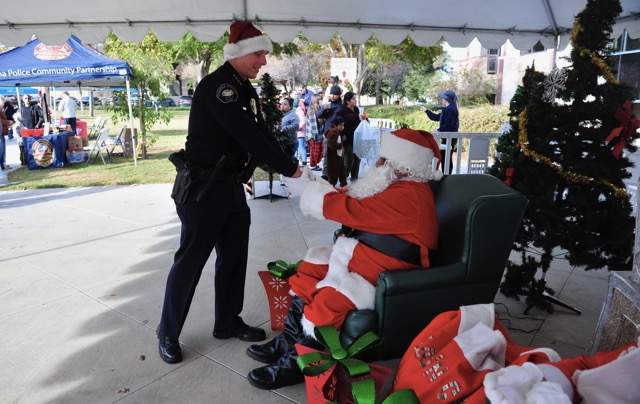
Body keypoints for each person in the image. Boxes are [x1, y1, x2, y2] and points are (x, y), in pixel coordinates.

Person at [247, 127, 444, 390]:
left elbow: (351, 209)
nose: (377, 163)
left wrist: (314, 193)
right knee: (308, 271)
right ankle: (288, 340)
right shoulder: (396, 186)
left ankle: (297, 364)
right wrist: (313, 183)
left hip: (383, 269)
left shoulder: (410, 196)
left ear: (404, 166)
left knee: (330, 299)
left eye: (384, 160)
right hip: (363, 256)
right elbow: (352, 196)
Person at [156, 21, 304, 365]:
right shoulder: (219, 87)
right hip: (203, 191)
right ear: (238, 54)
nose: (263, 61)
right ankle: (167, 332)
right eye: (259, 53)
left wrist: (290, 164)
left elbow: (261, 133)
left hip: (230, 188)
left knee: (234, 257)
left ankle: (226, 321)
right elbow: (246, 136)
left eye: (264, 54)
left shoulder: (242, 87)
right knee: (190, 263)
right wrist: (288, 169)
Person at [421, 89, 459, 174]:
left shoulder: (450, 109)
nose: (442, 99)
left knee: (446, 157)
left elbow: (449, 124)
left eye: (443, 98)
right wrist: (427, 111)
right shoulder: (448, 108)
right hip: (447, 136)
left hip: (449, 137)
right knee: (445, 156)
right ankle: (446, 174)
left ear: (446, 99)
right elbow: (436, 117)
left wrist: (438, 130)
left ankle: (447, 175)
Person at [333, 91, 362, 182]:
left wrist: (364, 119)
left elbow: (359, 122)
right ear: (347, 101)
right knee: (350, 159)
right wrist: (341, 135)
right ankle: (342, 178)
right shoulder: (341, 110)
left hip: (356, 137)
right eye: (353, 99)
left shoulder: (356, 109)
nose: (355, 101)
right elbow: (334, 123)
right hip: (346, 138)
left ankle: (354, 180)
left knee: (357, 159)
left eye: (355, 99)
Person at [317, 85, 343, 180]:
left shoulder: (341, 105)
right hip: (328, 133)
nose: (333, 96)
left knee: (339, 153)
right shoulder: (327, 104)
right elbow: (319, 115)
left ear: (339, 95)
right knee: (326, 153)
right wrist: (324, 108)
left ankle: (338, 173)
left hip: (338, 133)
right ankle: (325, 173)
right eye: (331, 94)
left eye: (335, 94)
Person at [18, 95, 44, 166]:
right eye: (25, 98)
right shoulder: (21, 109)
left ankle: (37, 160)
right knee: (26, 146)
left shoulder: (36, 107)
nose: (27, 100)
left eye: (29, 98)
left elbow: (42, 117)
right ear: (23, 100)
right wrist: (22, 127)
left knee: (36, 146)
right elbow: (19, 120)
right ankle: (25, 161)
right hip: (25, 130)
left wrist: (38, 125)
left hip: (35, 129)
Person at [323, 115, 347, 188]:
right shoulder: (333, 133)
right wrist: (341, 145)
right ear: (335, 125)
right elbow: (331, 145)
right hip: (333, 157)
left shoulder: (336, 132)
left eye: (343, 125)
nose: (342, 127)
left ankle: (343, 185)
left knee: (341, 171)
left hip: (338, 156)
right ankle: (331, 186)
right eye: (340, 125)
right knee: (333, 173)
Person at [305, 94, 324, 171]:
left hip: (318, 134)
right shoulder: (312, 111)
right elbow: (313, 126)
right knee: (315, 150)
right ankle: (313, 165)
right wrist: (317, 136)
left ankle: (315, 164)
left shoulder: (319, 110)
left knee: (320, 150)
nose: (322, 101)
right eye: (320, 100)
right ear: (316, 101)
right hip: (313, 135)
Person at [294, 99, 307, 165]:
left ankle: (304, 160)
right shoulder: (296, 111)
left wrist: (297, 128)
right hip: (296, 133)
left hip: (300, 132)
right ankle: (296, 159)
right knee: (296, 147)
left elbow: (303, 121)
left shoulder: (299, 111)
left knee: (301, 147)